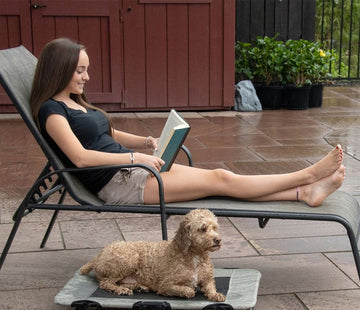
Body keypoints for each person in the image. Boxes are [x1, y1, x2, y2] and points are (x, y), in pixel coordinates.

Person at [30, 38, 345, 208]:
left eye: (86, 69)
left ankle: (304, 194)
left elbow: (106, 133)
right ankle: (307, 175)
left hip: (137, 168)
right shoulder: (52, 111)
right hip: (120, 183)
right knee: (219, 181)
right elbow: (81, 157)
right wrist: (134, 158)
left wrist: (145, 142)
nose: (87, 76)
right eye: (80, 71)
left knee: (219, 179)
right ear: (60, 70)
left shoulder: (76, 103)